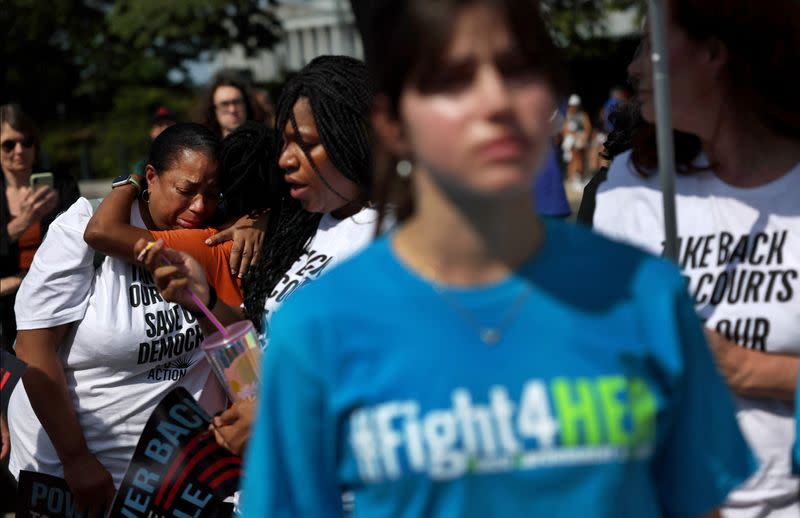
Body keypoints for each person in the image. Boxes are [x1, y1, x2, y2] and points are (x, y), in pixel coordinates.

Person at [235, 1, 754, 516]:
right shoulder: (318, 328)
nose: (495, 102)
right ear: (393, 124)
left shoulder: (646, 295)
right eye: (454, 79)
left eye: (518, 71)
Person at [592, 1, 800, 516]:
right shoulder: (628, 185)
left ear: (715, 51)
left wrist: (748, 368)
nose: (635, 66)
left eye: (651, 42)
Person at [136, 55, 378, 457]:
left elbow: (392, 393)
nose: (285, 158)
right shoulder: (314, 225)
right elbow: (262, 348)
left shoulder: (389, 244)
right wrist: (206, 300)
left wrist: (276, 420)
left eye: (308, 143)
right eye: (285, 141)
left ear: (352, 137)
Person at [6, 123, 227, 517]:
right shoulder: (81, 228)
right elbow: (32, 348)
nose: (199, 206)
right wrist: (75, 459)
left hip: (169, 488)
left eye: (211, 194)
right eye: (186, 190)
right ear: (152, 178)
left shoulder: (215, 235)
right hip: (76, 480)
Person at [1, 104, 80, 354]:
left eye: (28, 142)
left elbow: (77, 244)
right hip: (8, 305)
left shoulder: (61, 186)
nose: (19, 151)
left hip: (56, 296)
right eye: (8, 145)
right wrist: (22, 222)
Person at [201, 71, 255, 139]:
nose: (233, 110)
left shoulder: (266, 144)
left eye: (237, 102)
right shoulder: (207, 148)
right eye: (224, 104)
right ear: (214, 110)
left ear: (246, 105)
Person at [130, 105, 178, 176]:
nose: (165, 128)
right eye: (160, 125)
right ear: (152, 132)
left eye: (168, 124)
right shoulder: (142, 166)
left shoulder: (189, 157)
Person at [560, 93, 592, 192]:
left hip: (580, 140)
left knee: (581, 158)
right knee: (574, 159)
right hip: (570, 141)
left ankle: (579, 177)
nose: (574, 107)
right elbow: (564, 129)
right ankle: (574, 179)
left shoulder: (582, 115)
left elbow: (588, 127)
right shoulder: (567, 114)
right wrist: (572, 135)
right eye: (573, 106)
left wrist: (583, 136)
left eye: (576, 106)